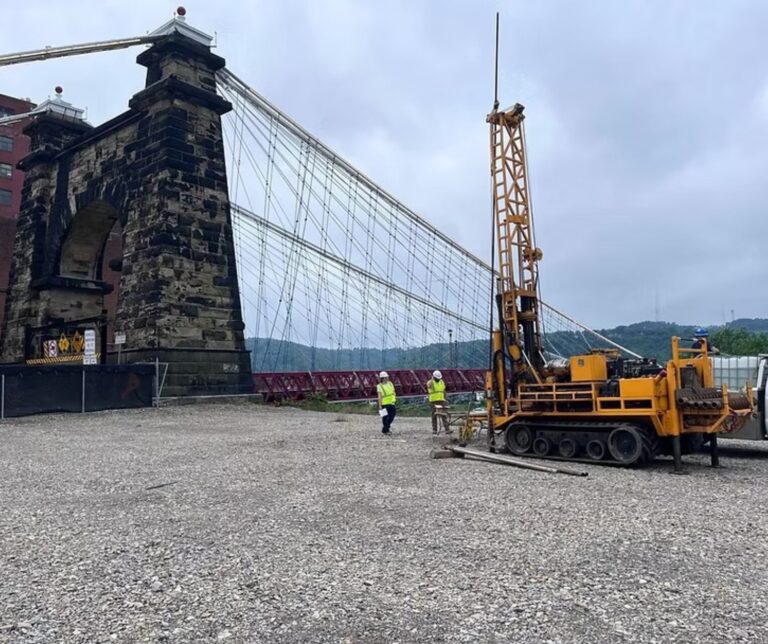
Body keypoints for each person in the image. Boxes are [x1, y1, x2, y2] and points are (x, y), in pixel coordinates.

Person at [426, 370, 450, 435]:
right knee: (434, 415)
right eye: (437, 378)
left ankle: (447, 429)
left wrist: (445, 399)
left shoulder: (441, 382)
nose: (438, 379)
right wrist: (432, 379)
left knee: (444, 415)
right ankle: (434, 430)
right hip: (433, 401)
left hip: (441, 400)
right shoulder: (430, 382)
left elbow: (443, 391)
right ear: (434, 377)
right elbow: (428, 385)